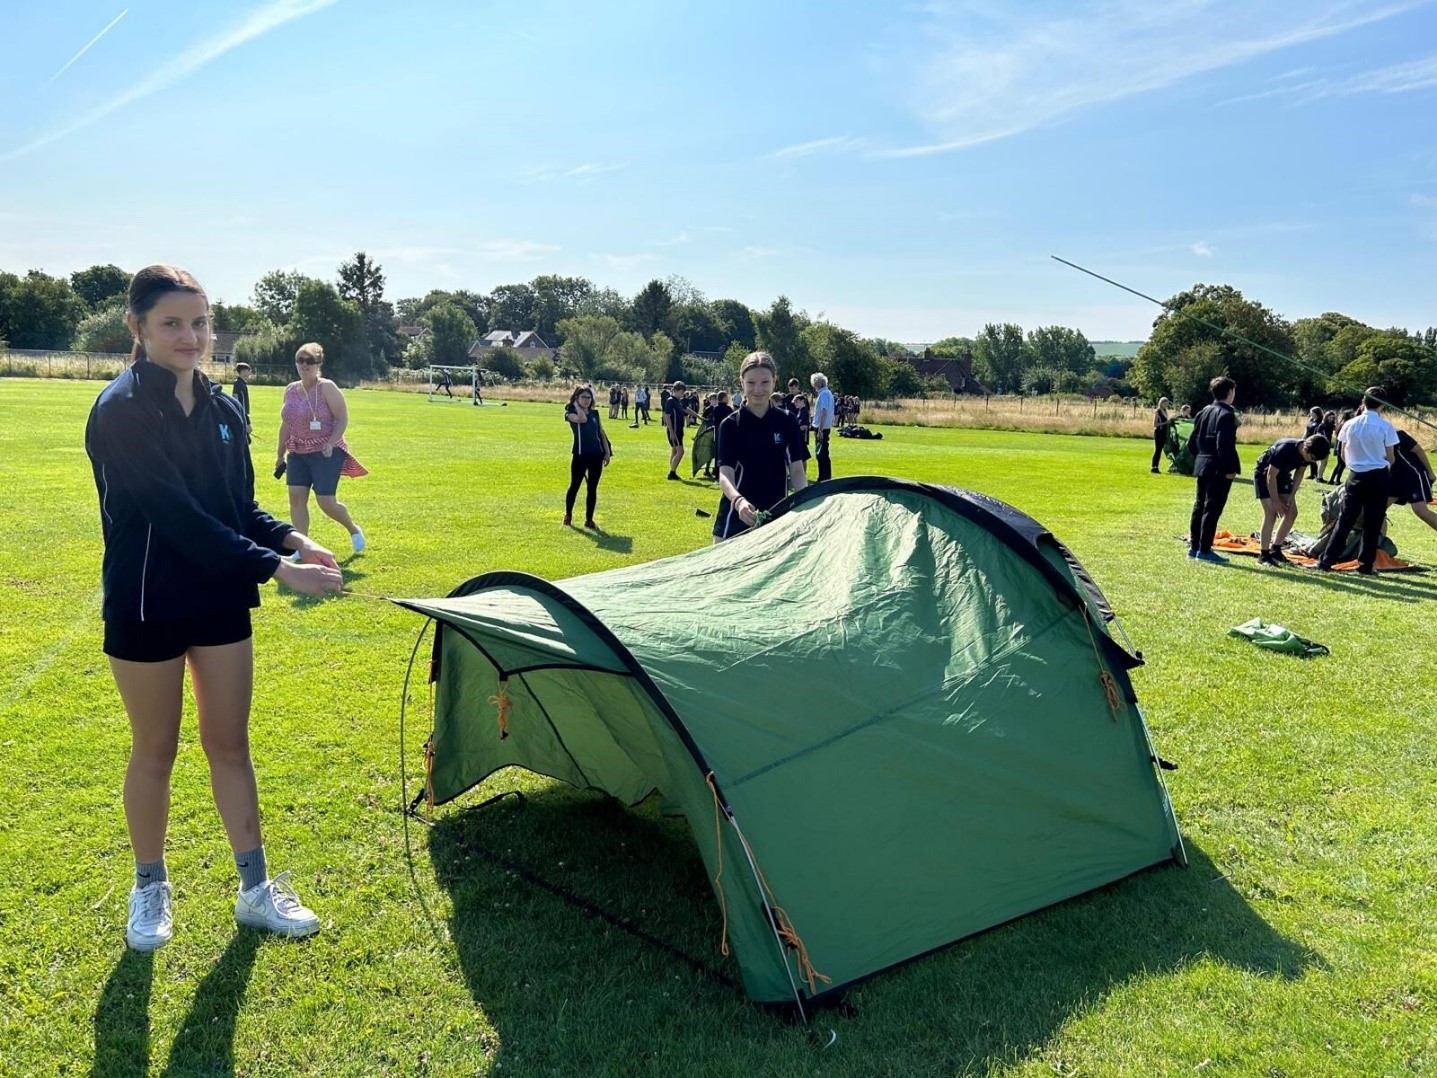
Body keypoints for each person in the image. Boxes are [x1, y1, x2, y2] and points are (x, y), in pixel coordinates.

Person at [85, 265, 342, 952]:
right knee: (156, 751)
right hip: (147, 603)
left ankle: (255, 891)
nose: (190, 337)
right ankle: (149, 888)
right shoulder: (120, 411)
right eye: (172, 323)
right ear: (136, 328)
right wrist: (277, 569)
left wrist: (294, 538)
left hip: (219, 598)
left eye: (199, 323)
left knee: (230, 745)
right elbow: (178, 518)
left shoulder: (227, 409)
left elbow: (236, 508)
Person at [276, 343, 367, 554]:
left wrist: (331, 442)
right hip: (298, 451)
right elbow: (286, 423)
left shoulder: (327, 387)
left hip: (326, 451)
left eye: (310, 361)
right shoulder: (291, 389)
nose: (304, 365)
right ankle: (302, 548)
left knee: (326, 501)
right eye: (300, 360)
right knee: (296, 497)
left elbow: (342, 419)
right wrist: (280, 454)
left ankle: (353, 530)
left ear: (318, 364)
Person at [713, 352, 810, 541]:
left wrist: (806, 505)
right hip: (734, 521)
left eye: (765, 382)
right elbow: (725, 474)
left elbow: (797, 471)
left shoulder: (787, 421)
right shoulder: (730, 425)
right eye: (751, 383)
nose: (758, 389)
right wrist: (738, 501)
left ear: (774, 381)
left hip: (776, 521)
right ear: (741, 382)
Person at [1317, 389, 1398, 574]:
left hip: (1355, 476)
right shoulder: (1386, 427)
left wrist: (1356, 465)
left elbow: (1343, 453)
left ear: (1363, 401)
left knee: (1345, 520)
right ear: (1382, 405)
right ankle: (1365, 565)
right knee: (1373, 522)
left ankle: (1326, 562)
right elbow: (1391, 457)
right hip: (1378, 476)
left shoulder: (1350, 424)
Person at [1253, 434, 1329, 566]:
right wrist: (1276, 501)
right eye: (1312, 458)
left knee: (1291, 512)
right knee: (1271, 513)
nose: (1312, 461)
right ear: (1306, 450)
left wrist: (1291, 496)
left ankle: (1275, 549)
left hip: (1282, 476)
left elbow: (1299, 473)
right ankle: (1264, 555)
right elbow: (1271, 476)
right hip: (1264, 475)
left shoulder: (1307, 455)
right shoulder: (1284, 449)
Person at [1187, 376, 1241, 563]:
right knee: (1212, 508)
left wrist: (1201, 458)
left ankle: (1194, 547)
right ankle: (1205, 550)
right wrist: (1228, 468)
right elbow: (1224, 445)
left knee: (1199, 506)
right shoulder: (1226, 415)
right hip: (1218, 468)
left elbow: (1191, 442)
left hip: (1202, 464)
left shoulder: (1203, 412)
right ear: (1229, 392)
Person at [562, 385, 612, 528]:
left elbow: (601, 433)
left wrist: (607, 452)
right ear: (576, 398)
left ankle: (589, 520)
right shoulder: (570, 413)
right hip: (580, 455)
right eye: (583, 397)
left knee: (592, 488)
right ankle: (568, 514)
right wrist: (576, 405)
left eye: (589, 397)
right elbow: (582, 419)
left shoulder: (595, 414)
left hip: (596, 455)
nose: (586, 400)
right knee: (575, 486)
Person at [1389, 429, 1437, 533]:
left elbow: (1418, 450)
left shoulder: (1398, 434)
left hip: (1413, 476)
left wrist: (1430, 472)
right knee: (1376, 512)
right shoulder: (1369, 436)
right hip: (1393, 478)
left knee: (1421, 511)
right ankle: (1377, 546)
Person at [811, 372, 835, 482]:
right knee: (821, 453)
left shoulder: (824, 394)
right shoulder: (827, 393)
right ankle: (824, 477)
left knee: (822, 453)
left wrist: (820, 430)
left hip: (822, 428)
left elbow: (824, 411)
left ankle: (824, 477)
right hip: (823, 427)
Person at [663, 380, 688, 480]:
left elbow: (686, 409)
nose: (683, 394)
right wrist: (671, 431)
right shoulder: (670, 401)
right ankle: (672, 473)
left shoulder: (678, 401)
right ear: (677, 390)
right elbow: (667, 416)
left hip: (679, 430)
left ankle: (673, 471)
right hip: (675, 430)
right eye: (682, 392)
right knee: (680, 452)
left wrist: (699, 417)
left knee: (674, 451)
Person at [232, 362, 253, 439]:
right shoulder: (238, 383)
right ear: (243, 371)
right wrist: (238, 410)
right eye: (248, 370)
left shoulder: (242, 383)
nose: (250, 372)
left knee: (248, 430)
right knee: (248, 429)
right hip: (242, 411)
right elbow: (235, 396)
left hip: (244, 411)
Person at [1151, 397, 1171, 473]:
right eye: (1165, 403)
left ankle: (1156, 466)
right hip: (1158, 432)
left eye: (1167, 404)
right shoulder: (1157, 412)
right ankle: (1153, 466)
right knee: (1157, 450)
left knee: (1160, 451)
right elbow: (1155, 424)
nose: (1166, 405)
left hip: (1163, 433)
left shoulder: (1165, 411)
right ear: (1161, 403)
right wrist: (1165, 423)